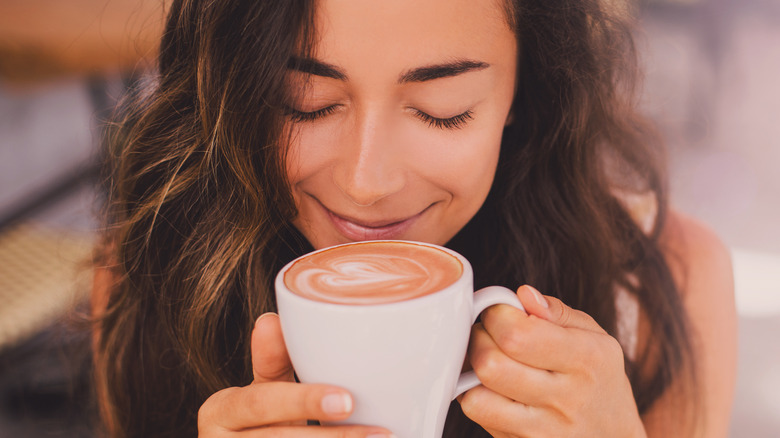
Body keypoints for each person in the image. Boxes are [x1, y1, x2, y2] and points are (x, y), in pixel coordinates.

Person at [92, 0, 737, 437]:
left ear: (524, 92)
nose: (366, 183)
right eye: (306, 102)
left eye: (442, 108)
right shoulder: (154, 266)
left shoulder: (665, 286)